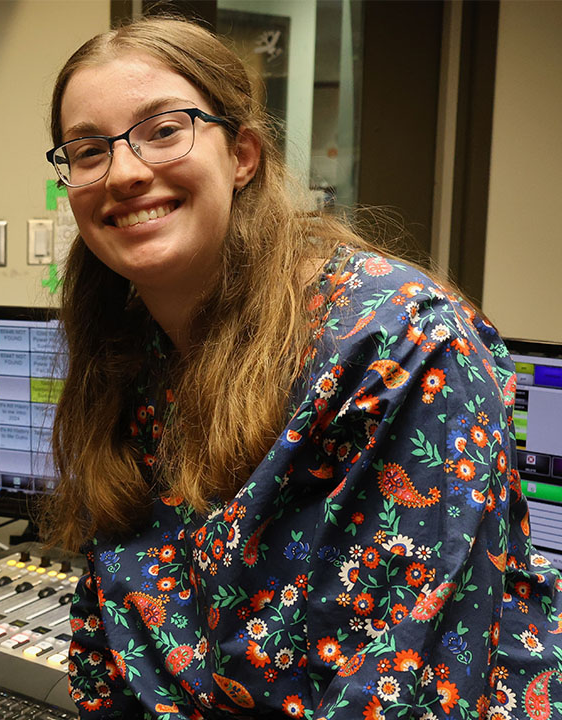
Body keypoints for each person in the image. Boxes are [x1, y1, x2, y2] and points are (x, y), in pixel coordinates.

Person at [42, 16, 559, 719]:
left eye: (164, 130)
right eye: (88, 150)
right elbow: (111, 634)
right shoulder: (128, 352)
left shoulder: (396, 344)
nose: (126, 172)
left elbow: (400, 684)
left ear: (243, 155)